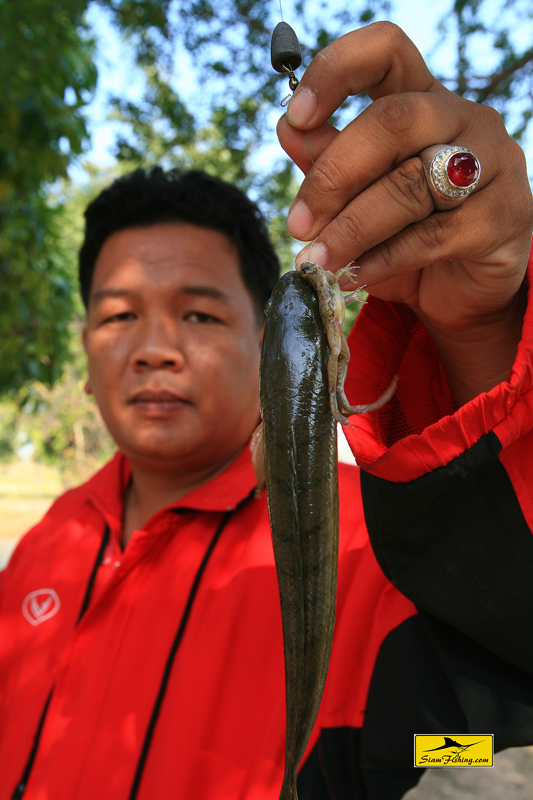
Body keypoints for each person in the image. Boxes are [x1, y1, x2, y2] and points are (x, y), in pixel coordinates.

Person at [1, 21, 532, 800]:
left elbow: (497, 733)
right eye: (118, 316)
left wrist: (480, 333)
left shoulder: (379, 550)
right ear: (83, 355)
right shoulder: (42, 549)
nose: (153, 349)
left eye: (201, 315)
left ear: (259, 343)